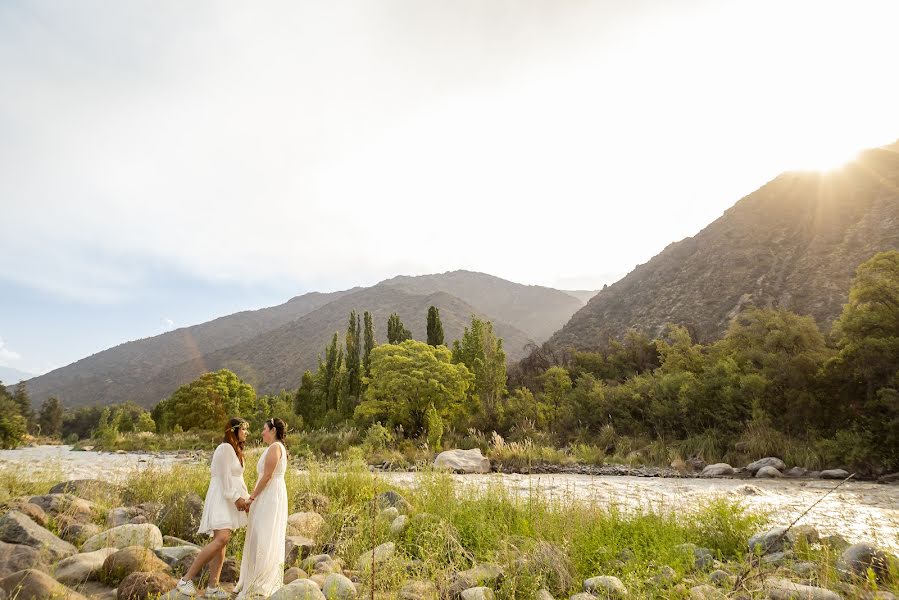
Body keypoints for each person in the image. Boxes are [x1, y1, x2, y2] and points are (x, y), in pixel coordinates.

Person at [175, 418, 251, 598]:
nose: (246, 433)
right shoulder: (224, 449)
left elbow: (237, 480)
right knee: (221, 538)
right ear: (234, 431)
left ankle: (212, 587)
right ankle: (185, 580)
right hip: (221, 497)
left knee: (222, 542)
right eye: (244, 429)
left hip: (229, 498)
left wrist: (247, 499)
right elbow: (225, 479)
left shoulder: (235, 450)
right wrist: (237, 499)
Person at [234, 417, 289, 599]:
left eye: (264, 429)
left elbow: (267, 476)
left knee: (264, 535)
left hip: (270, 495)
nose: (262, 432)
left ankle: (261, 580)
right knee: (261, 534)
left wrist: (251, 498)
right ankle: (255, 577)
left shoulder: (275, 447)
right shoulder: (274, 447)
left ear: (273, 430)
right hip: (269, 494)